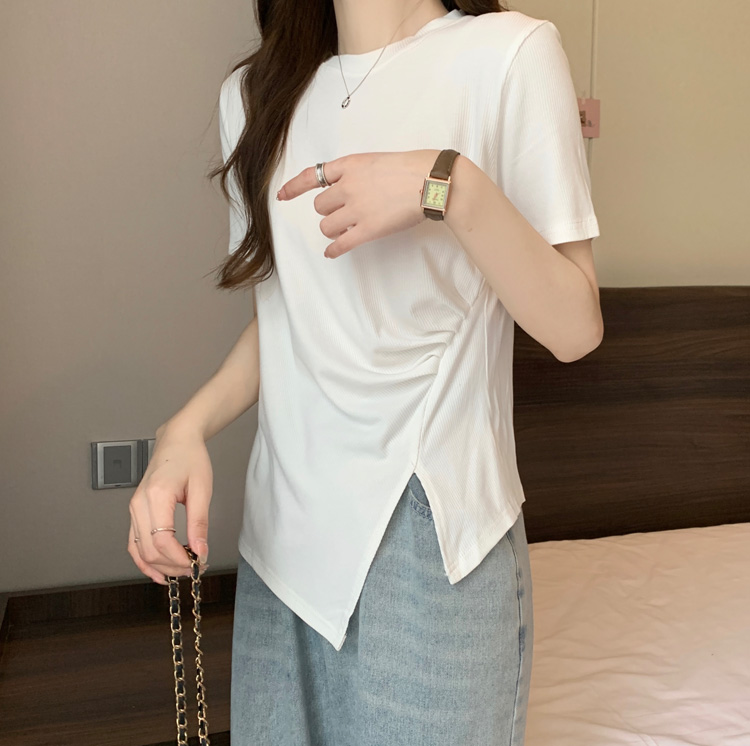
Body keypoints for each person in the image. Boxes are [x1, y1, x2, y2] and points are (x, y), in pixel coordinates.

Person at [127, 0, 602, 743]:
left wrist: (446, 185)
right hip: (280, 544)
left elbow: (575, 328)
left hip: (431, 547)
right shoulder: (253, 96)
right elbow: (292, 319)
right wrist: (184, 429)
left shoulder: (510, 54)